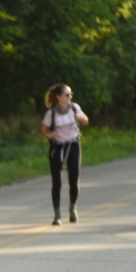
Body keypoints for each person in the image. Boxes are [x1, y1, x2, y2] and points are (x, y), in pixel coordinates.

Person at [40, 83, 89, 225]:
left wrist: (80, 118)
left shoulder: (75, 107)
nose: (70, 97)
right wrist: (50, 135)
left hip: (73, 145)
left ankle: (73, 207)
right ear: (58, 97)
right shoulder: (51, 113)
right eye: (67, 95)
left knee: (74, 179)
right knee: (57, 181)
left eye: (71, 94)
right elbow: (43, 131)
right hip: (58, 147)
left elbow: (86, 120)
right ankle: (57, 214)